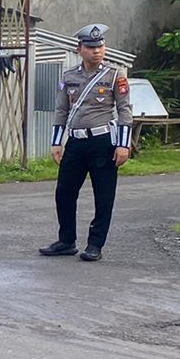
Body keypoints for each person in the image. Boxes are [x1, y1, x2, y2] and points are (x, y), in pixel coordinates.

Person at [40, 23, 133, 263]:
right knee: (64, 192)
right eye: (91, 47)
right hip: (76, 142)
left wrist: (123, 145)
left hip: (103, 142)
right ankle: (66, 240)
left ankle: (95, 244)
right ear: (79, 49)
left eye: (100, 46)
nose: (97, 51)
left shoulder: (115, 75)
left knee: (103, 196)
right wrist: (56, 142)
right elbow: (61, 109)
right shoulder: (69, 76)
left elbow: (124, 110)